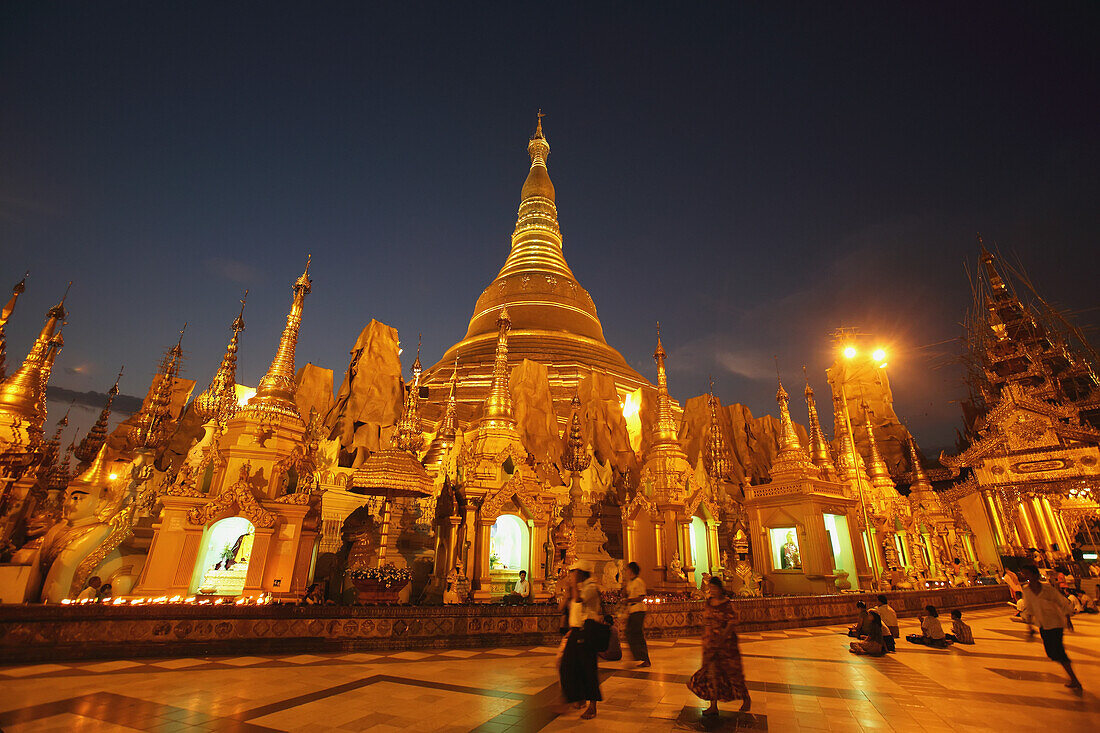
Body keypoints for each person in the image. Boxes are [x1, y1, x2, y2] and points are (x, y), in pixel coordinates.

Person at [687, 577, 751, 716]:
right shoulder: (709, 602)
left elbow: (732, 622)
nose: (712, 591)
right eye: (710, 588)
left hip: (726, 644)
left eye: (714, 588)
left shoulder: (727, 604)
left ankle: (746, 698)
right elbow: (706, 620)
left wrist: (721, 637)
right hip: (711, 643)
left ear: (720, 589)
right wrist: (707, 637)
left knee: (732, 673)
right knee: (712, 673)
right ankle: (713, 705)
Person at [1018, 564, 1082, 691]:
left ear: (1035, 575)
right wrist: (1029, 627)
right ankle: (1072, 676)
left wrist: (1068, 619)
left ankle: (1074, 679)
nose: (1025, 576)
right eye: (1024, 574)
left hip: (1055, 623)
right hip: (1043, 624)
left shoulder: (1047, 589)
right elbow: (1029, 608)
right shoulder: (1026, 590)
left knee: (1058, 651)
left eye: (1027, 573)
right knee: (1052, 653)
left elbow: (1062, 602)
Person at [559, 560, 603, 719]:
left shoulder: (591, 587)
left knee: (588, 669)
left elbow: (579, 600)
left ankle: (592, 706)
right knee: (567, 666)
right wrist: (569, 589)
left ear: (581, 574)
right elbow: (563, 607)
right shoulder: (579, 588)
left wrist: (573, 585)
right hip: (576, 631)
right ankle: (575, 698)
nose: (571, 576)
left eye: (574, 573)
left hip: (587, 631)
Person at [622, 561, 651, 667]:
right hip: (632, 610)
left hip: (638, 610)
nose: (626, 571)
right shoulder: (630, 582)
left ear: (632, 570)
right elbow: (625, 593)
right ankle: (638, 656)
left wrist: (629, 600)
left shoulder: (639, 581)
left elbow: (641, 597)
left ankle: (644, 658)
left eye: (628, 569)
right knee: (629, 633)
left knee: (637, 634)